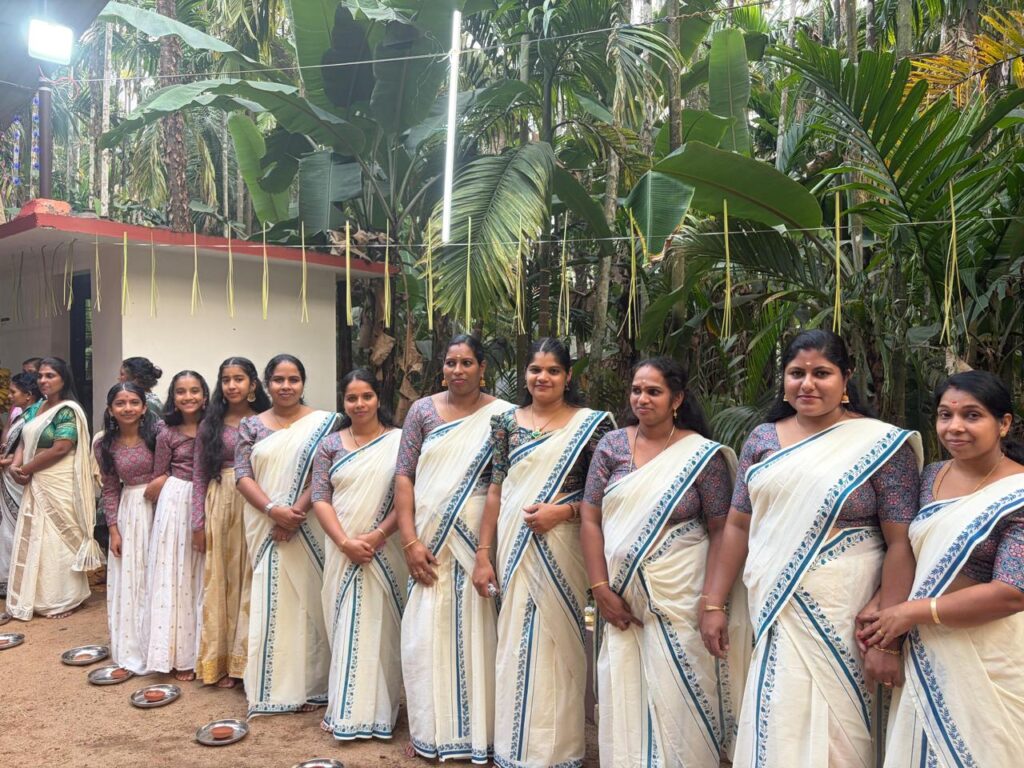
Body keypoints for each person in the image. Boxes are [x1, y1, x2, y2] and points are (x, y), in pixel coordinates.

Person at [699, 330, 922, 768]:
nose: (807, 384)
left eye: (822, 373)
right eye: (796, 373)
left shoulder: (880, 445)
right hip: (775, 606)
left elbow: (902, 543)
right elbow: (738, 526)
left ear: (846, 378)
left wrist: (888, 637)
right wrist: (713, 602)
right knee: (777, 709)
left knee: (842, 725)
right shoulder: (762, 439)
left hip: (847, 612)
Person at [580, 357, 745, 768]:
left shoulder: (701, 455)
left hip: (682, 597)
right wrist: (600, 588)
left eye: (654, 391)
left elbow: (722, 529)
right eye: (636, 390)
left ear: (677, 399)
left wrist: (712, 602)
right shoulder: (612, 446)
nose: (642, 399)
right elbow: (590, 517)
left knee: (683, 692)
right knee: (625, 688)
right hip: (619, 597)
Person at [857, 371, 1024, 767]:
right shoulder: (933, 475)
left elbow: (1012, 592)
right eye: (945, 415)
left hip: (988, 656)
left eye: (972, 415)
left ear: (1003, 423)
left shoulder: (1017, 492)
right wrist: (882, 601)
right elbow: (916, 552)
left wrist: (909, 613)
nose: (955, 427)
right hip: (925, 648)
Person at [473, 338, 613, 768]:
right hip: (514, 546)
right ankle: (514, 749)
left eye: (553, 370)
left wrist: (562, 512)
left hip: (564, 545)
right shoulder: (505, 423)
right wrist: (483, 554)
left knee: (558, 643)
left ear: (568, 376)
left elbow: (604, 496)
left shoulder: (591, 426)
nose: (543, 377)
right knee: (515, 641)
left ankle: (559, 752)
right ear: (525, 374)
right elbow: (495, 490)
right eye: (535, 369)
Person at [396, 334, 512, 763]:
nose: (457, 370)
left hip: (478, 537)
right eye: (450, 363)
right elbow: (404, 475)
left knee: (479, 631)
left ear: (483, 368)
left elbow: (502, 481)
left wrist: (485, 549)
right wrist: (409, 541)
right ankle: (429, 731)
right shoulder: (422, 411)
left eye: (466, 362)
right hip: (427, 537)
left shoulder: (504, 416)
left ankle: (479, 733)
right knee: (424, 633)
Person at [235, 354, 339, 717]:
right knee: (272, 602)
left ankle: (315, 685)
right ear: (266, 384)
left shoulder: (326, 423)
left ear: (303, 383)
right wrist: (273, 511)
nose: (286, 386)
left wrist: (295, 513)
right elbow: (242, 476)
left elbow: (324, 474)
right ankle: (276, 686)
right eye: (278, 380)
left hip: (309, 524)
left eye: (293, 379)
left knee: (310, 601)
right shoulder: (250, 426)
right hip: (265, 525)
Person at [312, 368, 408, 742]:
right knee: (346, 627)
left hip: (385, 550)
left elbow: (408, 497)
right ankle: (346, 710)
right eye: (352, 398)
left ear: (378, 398)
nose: (359, 404)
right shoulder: (330, 445)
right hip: (342, 549)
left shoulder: (399, 441)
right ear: (344, 401)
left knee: (381, 629)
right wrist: (343, 542)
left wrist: (378, 535)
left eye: (366, 396)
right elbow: (320, 497)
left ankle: (381, 712)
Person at [5, 357, 104, 619]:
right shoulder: (37, 408)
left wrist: (26, 469)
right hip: (35, 477)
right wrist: (15, 466)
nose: (43, 380)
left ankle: (66, 598)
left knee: (57, 538)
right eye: (40, 376)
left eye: (50, 375)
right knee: (36, 536)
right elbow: (24, 439)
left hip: (58, 480)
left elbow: (61, 447)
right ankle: (37, 598)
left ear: (64, 378)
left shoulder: (68, 410)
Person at [193, 357, 270, 688]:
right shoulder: (210, 425)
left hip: (258, 502)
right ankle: (222, 660)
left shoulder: (266, 421)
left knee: (253, 576)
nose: (232, 385)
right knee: (222, 580)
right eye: (226, 379)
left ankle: (249, 661)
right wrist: (197, 523)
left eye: (239, 379)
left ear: (253, 384)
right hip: (222, 501)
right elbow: (199, 475)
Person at [141, 370, 208, 681]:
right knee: (177, 574)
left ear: (205, 396)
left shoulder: (214, 427)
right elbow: (159, 472)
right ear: (173, 397)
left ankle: (205, 652)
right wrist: (167, 479)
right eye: (181, 391)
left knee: (203, 573)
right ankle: (179, 654)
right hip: (176, 501)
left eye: (195, 390)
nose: (188, 397)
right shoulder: (166, 433)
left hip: (211, 498)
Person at [95, 382, 161, 673]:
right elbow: (110, 488)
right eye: (120, 403)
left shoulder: (158, 435)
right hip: (131, 511)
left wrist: (162, 482)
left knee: (161, 575)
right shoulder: (104, 445)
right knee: (135, 578)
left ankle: (163, 647)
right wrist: (113, 530)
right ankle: (137, 645)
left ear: (144, 407)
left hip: (164, 506)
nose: (128, 408)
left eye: (134, 402)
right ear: (110, 410)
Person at [0, 373, 42, 598]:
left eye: (13, 391)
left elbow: (30, 450)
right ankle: (8, 579)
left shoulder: (34, 417)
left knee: (18, 529)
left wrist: (8, 462)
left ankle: (19, 581)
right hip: (9, 477)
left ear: (28, 395)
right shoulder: (23, 415)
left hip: (18, 478)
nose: (9, 395)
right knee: (7, 529)